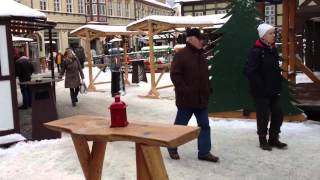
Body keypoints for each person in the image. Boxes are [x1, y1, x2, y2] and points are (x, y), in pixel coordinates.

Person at [168, 28, 219, 163]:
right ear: (191, 39)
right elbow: (175, 75)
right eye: (199, 38)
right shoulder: (181, 55)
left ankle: (204, 152)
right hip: (186, 100)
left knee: (204, 126)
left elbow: (204, 76)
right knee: (180, 127)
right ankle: (172, 147)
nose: (202, 41)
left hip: (201, 99)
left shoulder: (201, 55)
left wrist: (209, 87)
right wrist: (184, 90)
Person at [245, 23, 287, 151]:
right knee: (263, 115)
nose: (274, 35)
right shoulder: (256, 51)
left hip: (273, 89)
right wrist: (260, 86)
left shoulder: (272, 49)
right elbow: (250, 71)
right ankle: (263, 140)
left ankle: (273, 138)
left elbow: (274, 69)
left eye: (274, 33)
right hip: (261, 91)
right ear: (263, 36)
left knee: (278, 113)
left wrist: (278, 81)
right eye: (271, 33)